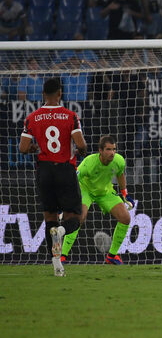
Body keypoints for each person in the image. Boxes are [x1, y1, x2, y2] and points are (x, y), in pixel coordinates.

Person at [18, 78, 87, 277]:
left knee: (49, 217)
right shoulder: (70, 116)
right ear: (60, 94)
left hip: (44, 171)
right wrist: (82, 150)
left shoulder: (32, 117)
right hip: (65, 169)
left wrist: (33, 148)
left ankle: (57, 265)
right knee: (75, 217)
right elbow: (80, 144)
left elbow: (23, 148)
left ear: (43, 94)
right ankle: (63, 231)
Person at [61, 135, 135, 265]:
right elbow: (73, 180)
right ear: (100, 151)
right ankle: (62, 255)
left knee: (125, 218)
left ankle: (112, 256)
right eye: (108, 149)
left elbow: (120, 174)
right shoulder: (89, 162)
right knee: (79, 218)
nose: (112, 153)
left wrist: (125, 193)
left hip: (104, 191)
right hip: (85, 190)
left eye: (114, 149)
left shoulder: (119, 160)